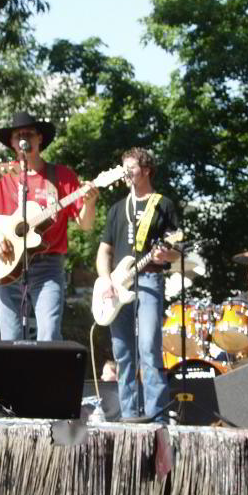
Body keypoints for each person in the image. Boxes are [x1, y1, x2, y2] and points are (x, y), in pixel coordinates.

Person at [0, 111, 98, 340]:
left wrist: (90, 202)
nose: (24, 139)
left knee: (49, 334)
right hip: (8, 261)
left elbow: (85, 224)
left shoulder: (62, 176)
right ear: (12, 143)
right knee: (10, 339)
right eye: (19, 136)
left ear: (40, 138)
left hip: (48, 266)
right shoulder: (3, 176)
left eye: (29, 134)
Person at [95, 148, 180, 420]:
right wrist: (105, 280)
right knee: (122, 352)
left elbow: (176, 250)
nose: (125, 173)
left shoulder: (163, 204)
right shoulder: (117, 209)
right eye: (124, 168)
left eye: (130, 167)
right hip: (117, 286)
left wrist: (165, 255)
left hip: (150, 279)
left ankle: (157, 417)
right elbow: (104, 251)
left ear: (146, 170)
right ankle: (129, 416)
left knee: (148, 347)